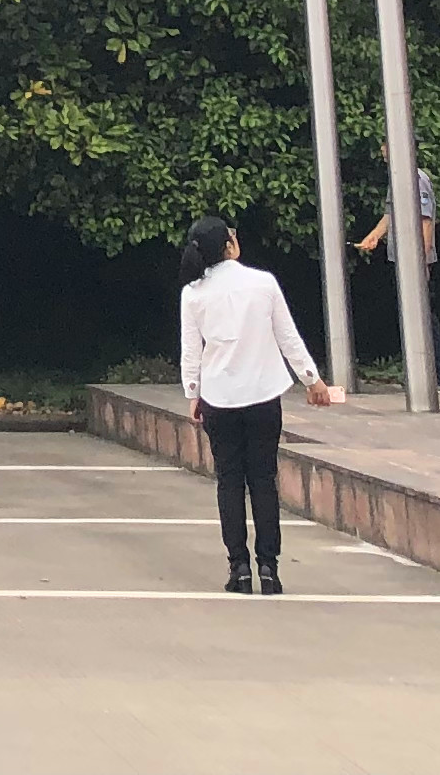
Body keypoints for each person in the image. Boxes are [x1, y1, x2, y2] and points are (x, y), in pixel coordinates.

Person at [177, 213, 343, 594]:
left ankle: (238, 567)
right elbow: (288, 337)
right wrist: (313, 380)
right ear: (229, 245)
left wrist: (193, 393)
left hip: (218, 398)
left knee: (229, 482)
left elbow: (191, 351)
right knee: (264, 480)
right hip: (263, 396)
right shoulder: (263, 283)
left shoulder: (193, 294)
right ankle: (269, 566)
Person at [350, 166, 440, 394]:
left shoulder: (416, 178)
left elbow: (425, 221)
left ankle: (438, 376)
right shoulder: (397, 177)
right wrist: (374, 236)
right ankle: (421, 373)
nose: (383, 153)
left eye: (385, 149)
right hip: (401, 259)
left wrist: (421, 260)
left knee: (423, 316)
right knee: (412, 315)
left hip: (414, 261)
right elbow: (389, 214)